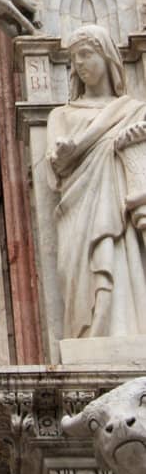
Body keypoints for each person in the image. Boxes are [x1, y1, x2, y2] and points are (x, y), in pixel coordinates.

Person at [47, 24, 146, 339]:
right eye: (75, 59)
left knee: (122, 263)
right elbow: (55, 166)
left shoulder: (133, 111)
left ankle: (128, 330)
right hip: (80, 206)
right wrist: (64, 151)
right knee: (86, 272)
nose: (80, 64)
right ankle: (93, 333)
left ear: (107, 57)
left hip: (121, 203)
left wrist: (133, 140)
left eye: (87, 55)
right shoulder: (62, 115)